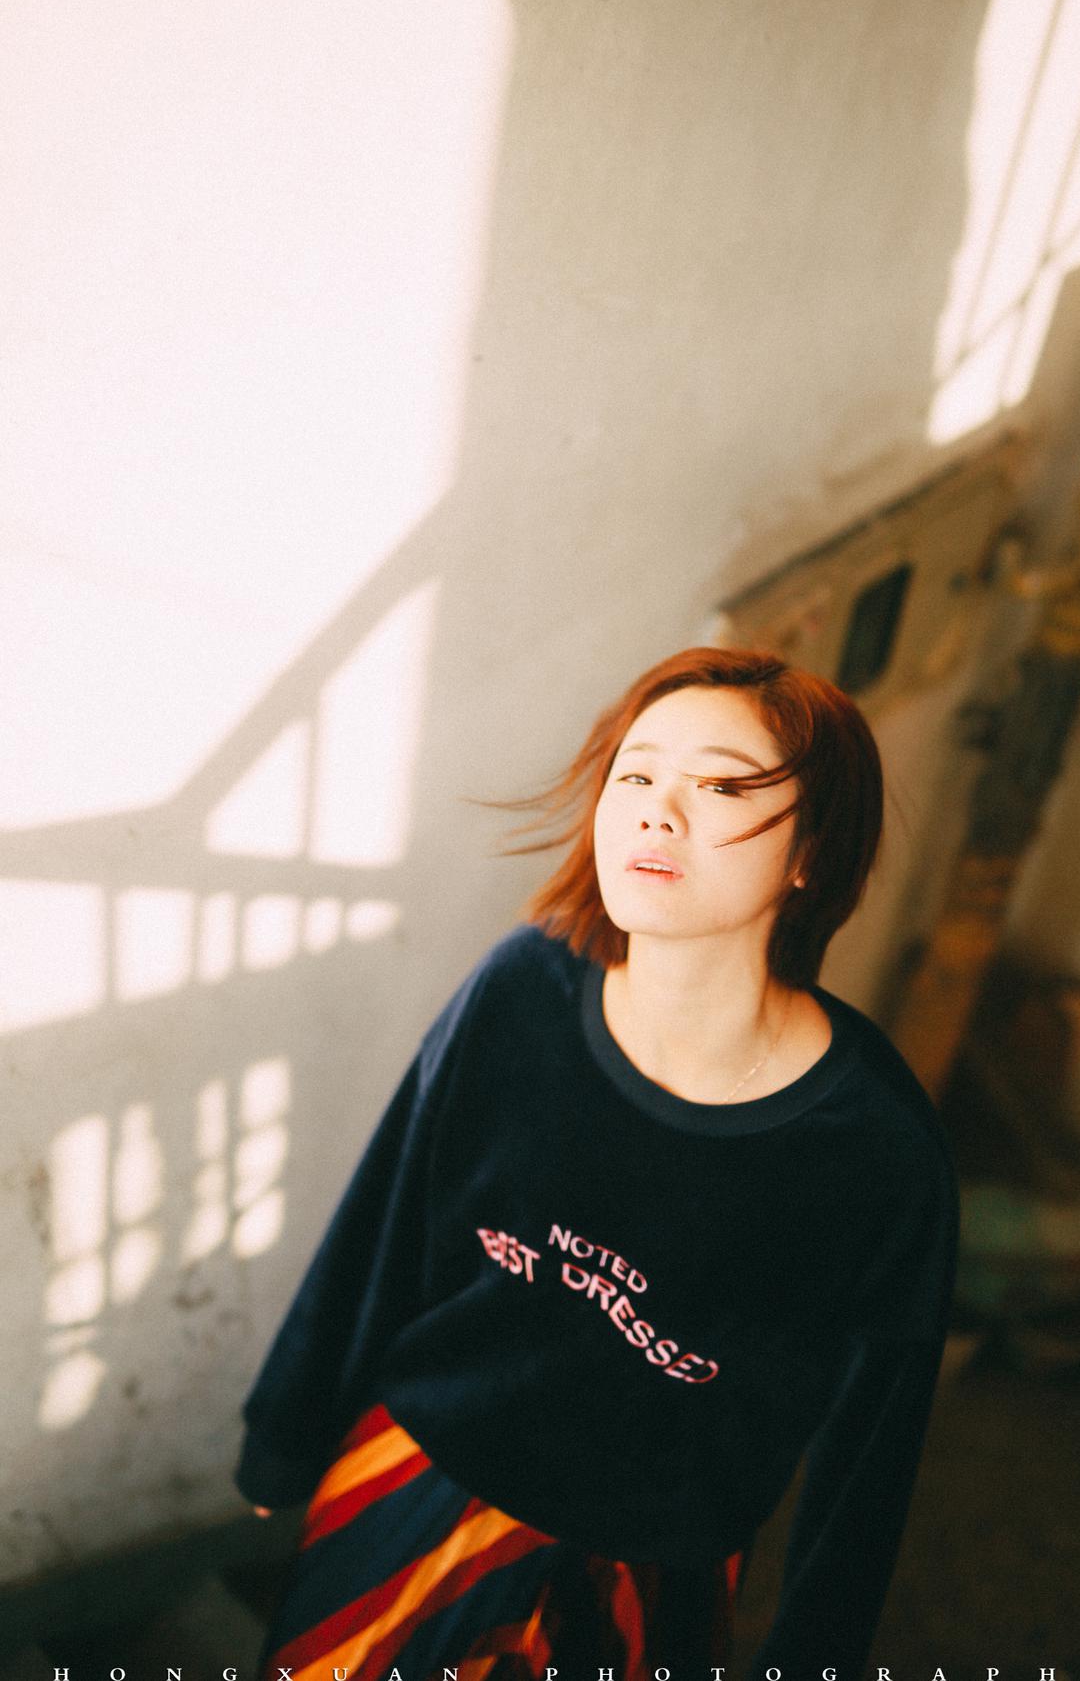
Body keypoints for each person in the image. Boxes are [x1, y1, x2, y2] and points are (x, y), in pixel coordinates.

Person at [234, 645, 960, 1681]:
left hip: (642, 1566)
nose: (657, 813)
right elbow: (385, 1212)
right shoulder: (523, 987)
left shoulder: (872, 1147)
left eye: (720, 787)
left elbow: (872, 1450)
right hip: (416, 1474)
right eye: (636, 774)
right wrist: (288, 1432)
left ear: (811, 851)